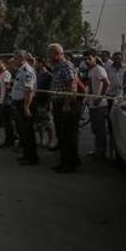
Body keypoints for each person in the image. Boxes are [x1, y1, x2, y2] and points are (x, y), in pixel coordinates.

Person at [49, 43, 81, 173]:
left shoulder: (66, 65)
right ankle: (64, 161)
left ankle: (70, 164)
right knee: (61, 135)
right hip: (58, 103)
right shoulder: (56, 67)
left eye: (50, 53)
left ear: (58, 53)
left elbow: (72, 85)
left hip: (66, 104)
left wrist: (67, 104)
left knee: (68, 135)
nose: (49, 56)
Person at [11, 50, 38, 165]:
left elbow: (29, 90)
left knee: (28, 132)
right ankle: (26, 154)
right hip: (19, 103)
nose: (14, 60)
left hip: (25, 103)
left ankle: (32, 157)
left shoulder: (27, 71)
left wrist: (26, 107)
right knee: (22, 132)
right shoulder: (20, 71)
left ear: (22, 59)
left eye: (16, 58)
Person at [84, 50, 110, 160]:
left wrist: (99, 98)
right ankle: (97, 150)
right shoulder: (90, 71)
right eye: (85, 59)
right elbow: (90, 87)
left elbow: (107, 83)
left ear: (95, 58)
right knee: (95, 129)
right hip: (92, 104)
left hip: (100, 105)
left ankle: (101, 153)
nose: (87, 61)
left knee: (100, 130)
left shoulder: (99, 69)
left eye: (89, 58)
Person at [34, 58, 55, 149]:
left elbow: (50, 91)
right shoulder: (37, 75)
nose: (35, 65)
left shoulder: (49, 76)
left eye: (37, 63)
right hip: (37, 101)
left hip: (45, 102)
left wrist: (49, 103)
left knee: (48, 122)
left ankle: (51, 141)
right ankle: (42, 139)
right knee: (39, 123)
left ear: (42, 64)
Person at [0, 58, 17, 148]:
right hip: (3, 100)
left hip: (6, 101)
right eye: (8, 63)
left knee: (8, 122)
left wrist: (5, 100)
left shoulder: (7, 74)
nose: (9, 65)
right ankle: (9, 139)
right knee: (6, 122)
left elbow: (7, 88)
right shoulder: (5, 73)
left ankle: (10, 140)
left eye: (11, 64)